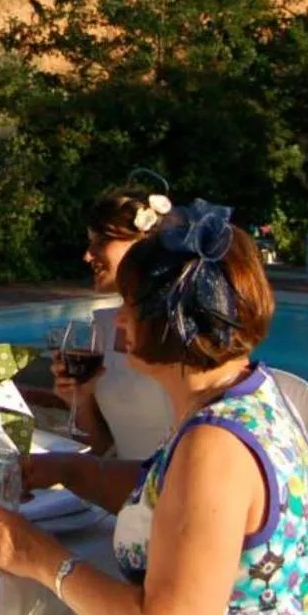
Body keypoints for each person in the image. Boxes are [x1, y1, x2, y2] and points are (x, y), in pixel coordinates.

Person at [0, 201, 308, 615]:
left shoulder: (216, 447)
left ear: (170, 322)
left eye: (131, 305)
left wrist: (38, 556)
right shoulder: (247, 395)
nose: (120, 319)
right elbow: (176, 507)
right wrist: (71, 470)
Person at [54, 185, 177, 464]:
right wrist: (80, 400)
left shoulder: (179, 331)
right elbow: (99, 450)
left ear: (143, 245)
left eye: (101, 242)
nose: (88, 255)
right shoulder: (105, 327)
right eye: (90, 242)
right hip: (121, 492)